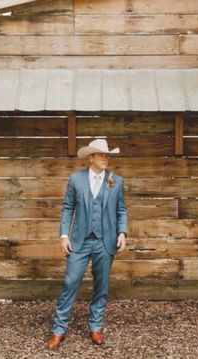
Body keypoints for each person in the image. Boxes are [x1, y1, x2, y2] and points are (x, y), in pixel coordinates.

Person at [47, 138, 128, 349]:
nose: (106, 158)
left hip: (105, 241)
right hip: (79, 241)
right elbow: (67, 208)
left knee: (101, 286)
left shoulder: (116, 180)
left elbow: (121, 210)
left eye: (107, 155)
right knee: (70, 282)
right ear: (90, 157)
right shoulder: (76, 179)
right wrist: (64, 235)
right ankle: (58, 329)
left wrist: (122, 232)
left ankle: (95, 327)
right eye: (101, 154)